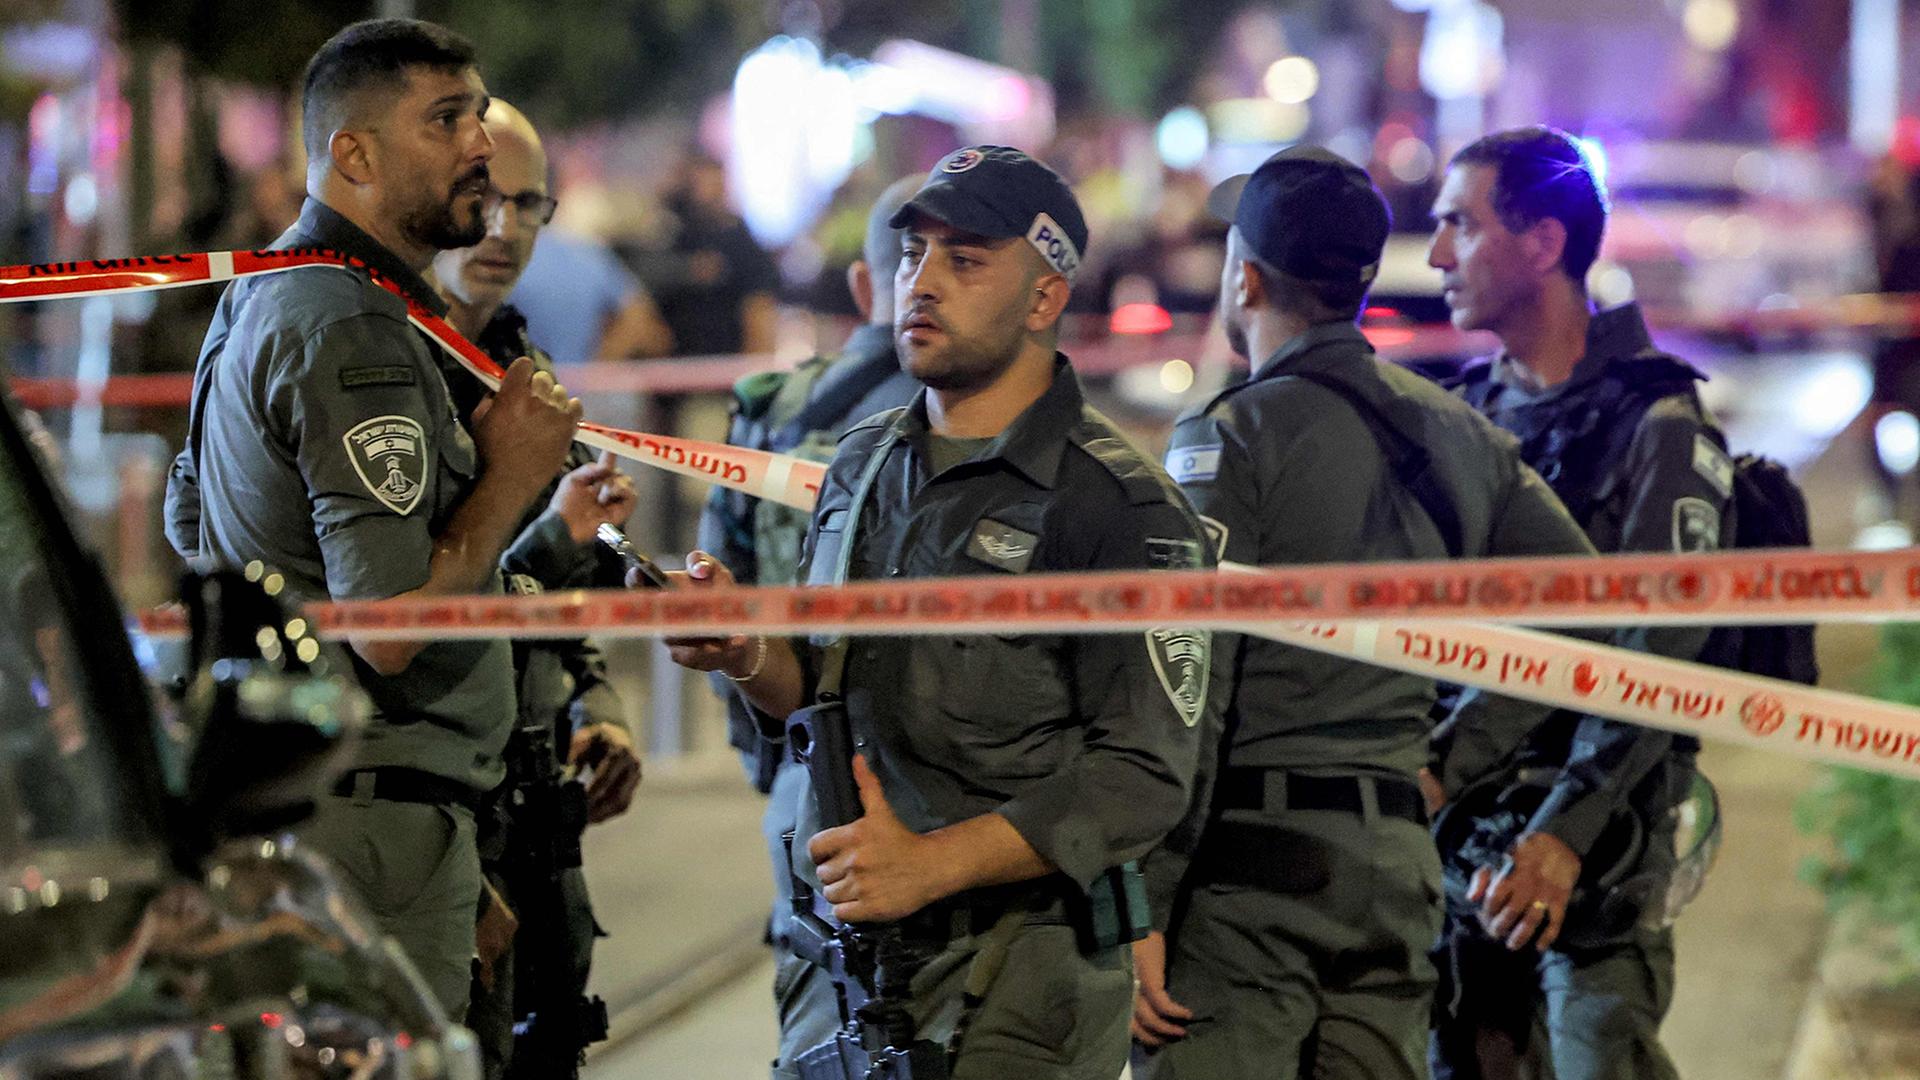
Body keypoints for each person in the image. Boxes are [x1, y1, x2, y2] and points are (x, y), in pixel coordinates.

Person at [666, 145, 1213, 1079]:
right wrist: (746, 651)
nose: (921, 282)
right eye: (914, 254)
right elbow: (823, 683)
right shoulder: (861, 461)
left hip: (1016, 976)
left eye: (965, 260)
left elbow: (1142, 773)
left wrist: (933, 864)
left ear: (1044, 299)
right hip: (847, 963)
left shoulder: (1119, 508)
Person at [1128, 145, 1599, 1080]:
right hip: (1395, 866)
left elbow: (1193, 681)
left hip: (1251, 876)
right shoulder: (1461, 432)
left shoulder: (1228, 437)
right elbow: (1584, 604)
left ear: (1246, 277)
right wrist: (1448, 760)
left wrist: (1140, 901)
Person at [161, 19, 582, 1016]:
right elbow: (388, 626)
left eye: (477, 114)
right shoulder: (352, 322)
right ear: (352, 153)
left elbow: (195, 523)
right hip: (364, 824)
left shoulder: (275, 284)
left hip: (328, 808)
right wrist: (516, 474)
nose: (480, 144)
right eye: (446, 121)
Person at [1425, 125, 1734, 1080]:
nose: (1436, 254)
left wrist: (1565, 830)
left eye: (1461, 226)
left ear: (1544, 242)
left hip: (1595, 864)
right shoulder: (1460, 421)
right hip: (1461, 856)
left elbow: (1658, 650)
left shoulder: (1659, 423)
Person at [429, 98, 641, 1076]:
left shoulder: (526, 370)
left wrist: (599, 712)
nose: (505, 229)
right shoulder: (386, 370)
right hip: (437, 841)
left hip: (535, 832)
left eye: (530, 205)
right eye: (486, 196)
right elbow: (384, 616)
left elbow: (561, 610)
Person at [655, 153, 781, 356]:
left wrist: (756, 372)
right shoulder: (670, 237)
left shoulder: (739, 242)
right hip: (675, 368)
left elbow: (759, 307)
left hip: (725, 366)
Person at [508, 227, 673, 364]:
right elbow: (641, 321)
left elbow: (642, 325)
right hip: (575, 389)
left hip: (524, 388)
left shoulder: (501, 258)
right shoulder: (587, 253)